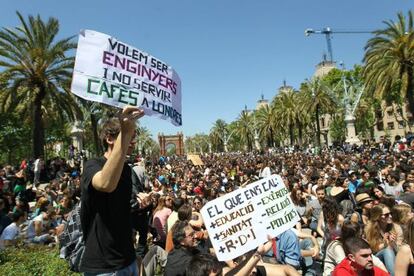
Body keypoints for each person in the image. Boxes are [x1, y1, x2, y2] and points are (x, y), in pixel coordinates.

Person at [80, 106, 144, 275]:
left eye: (133, 137)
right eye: (129, 136)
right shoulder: (92, 165)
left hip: (128, 259)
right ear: (109, 138)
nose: (133, 142)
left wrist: (140, 204)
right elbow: (105, 184)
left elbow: (120, 208)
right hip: (104, 266)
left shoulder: (127, 170)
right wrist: (126, 132)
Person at [365, 203, 403, 275]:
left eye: (390, 213)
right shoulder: (370, 229)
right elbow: (371, 249)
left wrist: (392, 244)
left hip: (395, 254)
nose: (390, 216)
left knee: (389, 250)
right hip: (377, 257)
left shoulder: (396, 227)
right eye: (386, 215)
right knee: (387, 251)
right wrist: (385, 244)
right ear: (378, 217)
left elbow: (400, 248)